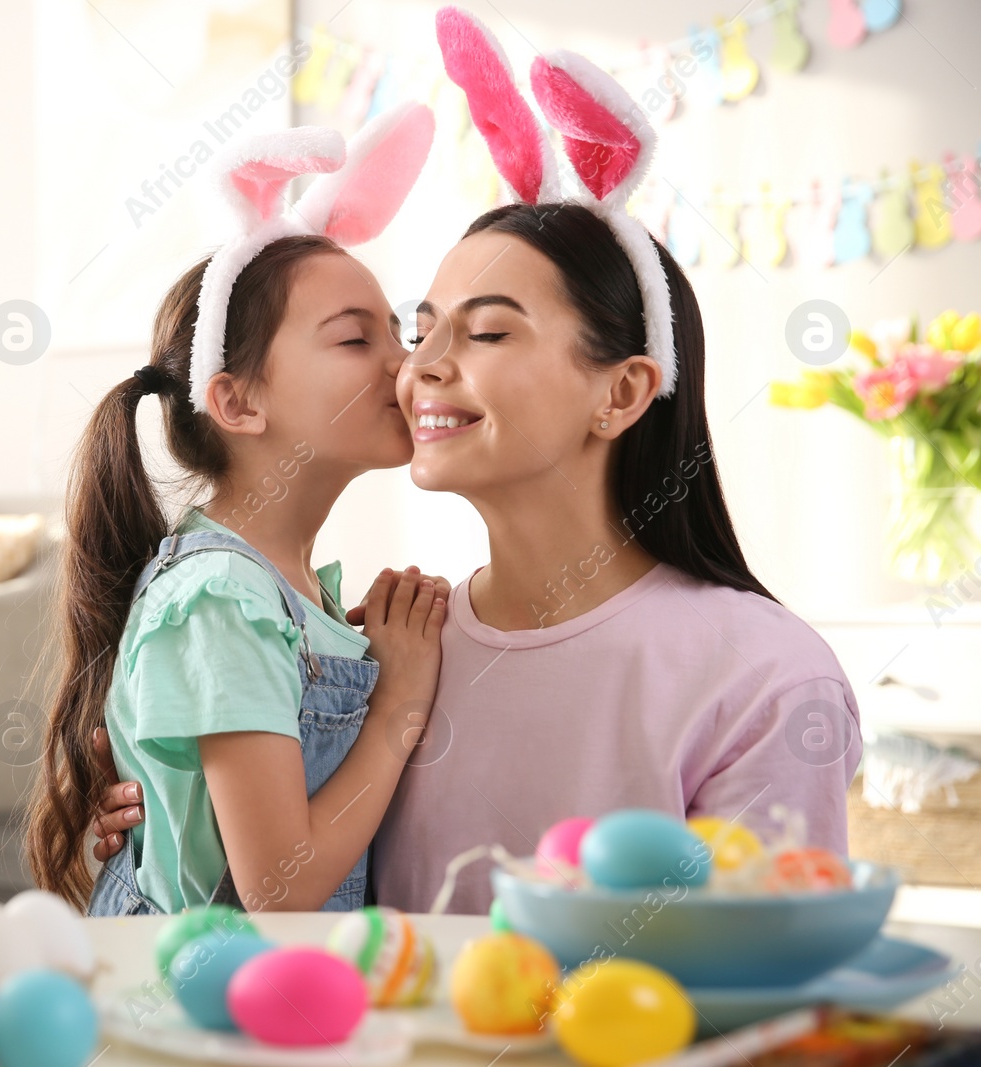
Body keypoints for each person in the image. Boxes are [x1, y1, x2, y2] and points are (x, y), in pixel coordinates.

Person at [90, 13, 860, 914]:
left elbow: (769, 1000)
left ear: (620, 393)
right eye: (422, 332)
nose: (416, 367)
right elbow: (269, 866)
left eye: (487, 331)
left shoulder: (764, 680)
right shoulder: (394, 643)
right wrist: (157, 819)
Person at [24, 108, 453, 915]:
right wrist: (396, 702)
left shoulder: (287, 591)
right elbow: (278, 891)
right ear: (238, 401)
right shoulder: (221, 597)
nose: (408, 361)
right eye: (357, 340)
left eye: (397, 331)